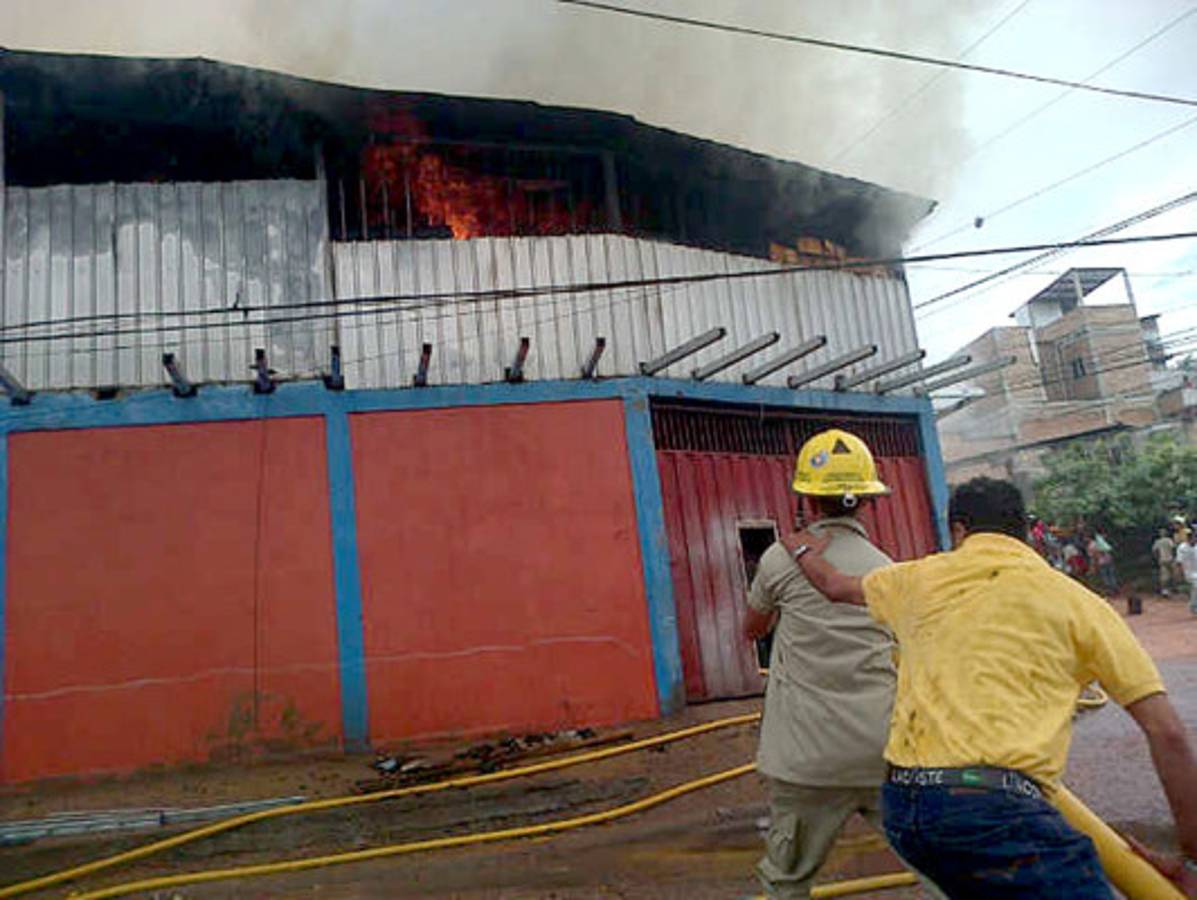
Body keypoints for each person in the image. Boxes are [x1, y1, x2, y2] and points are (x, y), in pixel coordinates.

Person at [782, 477, 1197, 898]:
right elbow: (1168, 733)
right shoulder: (1081, 604)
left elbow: (834, 585)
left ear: (959, 530)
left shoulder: (916, 578)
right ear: (1023, 532)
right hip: (994, 811)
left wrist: (798, 546)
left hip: (906, 808)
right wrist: (1192, 860)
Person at [742, 429, 944, 900]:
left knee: (786, 881)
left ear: (807, 499)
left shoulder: (780, 559)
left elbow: (752, 629)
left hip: (806, 758)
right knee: (932, 868)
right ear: (867, 501)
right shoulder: (886, 567)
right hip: (883, 748)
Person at [1087, 530, 1118, 596]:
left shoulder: (1091, 545)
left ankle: (1110, 590)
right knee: (1111, 575)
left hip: (1101, 562)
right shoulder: (1101, 542)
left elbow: (1093, 556)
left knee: (1105, 577)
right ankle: (1115, 588)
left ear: (1089, 538)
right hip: (1109, 560)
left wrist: (1093, 566)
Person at [1178, 530, 1197, 616]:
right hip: (1189, 572)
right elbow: (1179, 562)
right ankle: (1193, 606)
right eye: (1193, 538)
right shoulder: (1182, 548)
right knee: (1196, 586)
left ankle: (1193, 605)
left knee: (1194, 589)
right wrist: (1180, 573)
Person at [1154, 528, 1177, 596]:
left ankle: (1167, 590)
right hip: (1168, 559)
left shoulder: (1160, 541)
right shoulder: (1167, 540)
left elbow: (1155, 551)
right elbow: (1173, 549)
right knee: (1167, 576)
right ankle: (1166, 590)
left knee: (1166, 576)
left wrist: (1158, 558)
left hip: (1166, 559)